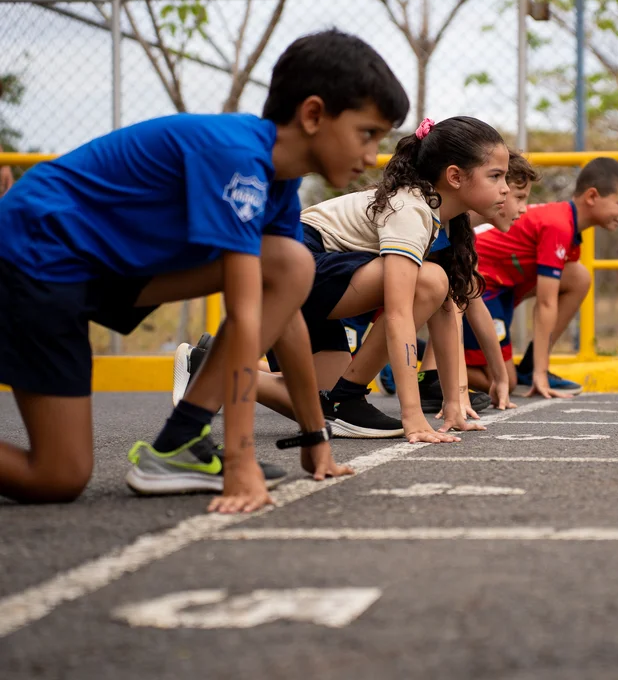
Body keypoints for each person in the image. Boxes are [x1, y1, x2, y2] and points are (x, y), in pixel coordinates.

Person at [0, 28, 409, 513]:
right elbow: (245, 311)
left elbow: (287, 312)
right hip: (29, 258)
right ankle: (185, 441)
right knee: (57, 477)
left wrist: (314, 435)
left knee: (290, 264)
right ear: (314, 114)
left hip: (92, 272)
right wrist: (240, 461)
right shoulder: (236, 157)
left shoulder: (278, 182)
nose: (372, 156)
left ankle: (177, 443)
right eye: (367, 134)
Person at [252, 115, 511, 442]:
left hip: (307, 277)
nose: (505, 188)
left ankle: (205, 365)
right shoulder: (411, 209)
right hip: (289, 264)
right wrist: (412, 414)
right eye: (496, 176)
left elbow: (447, 311)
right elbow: (400, 313)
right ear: (455, 176)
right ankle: (349, 395)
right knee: (430, 280)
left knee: (324, 403)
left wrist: (453, 403)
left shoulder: (444, 219)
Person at [465, 156, 618, 399]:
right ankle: (428, 368)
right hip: (481, 287)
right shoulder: (559, 225)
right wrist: (542, 373)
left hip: (504, 287)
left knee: (578, 276)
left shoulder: (567, 225)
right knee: (505, 382)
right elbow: (546, 303)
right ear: (592, 196)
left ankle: (529, 367)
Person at [418, 150, 539, 418]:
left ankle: (429, 376)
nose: (523, 209)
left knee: (457, 290)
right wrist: (459, 394)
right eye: (520, 197)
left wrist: (501, 377)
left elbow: (474, 300)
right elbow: (455, 308)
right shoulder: (436, 219)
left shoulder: (463, 233)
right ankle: (424, 372)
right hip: (353, 289)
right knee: (449, 292)